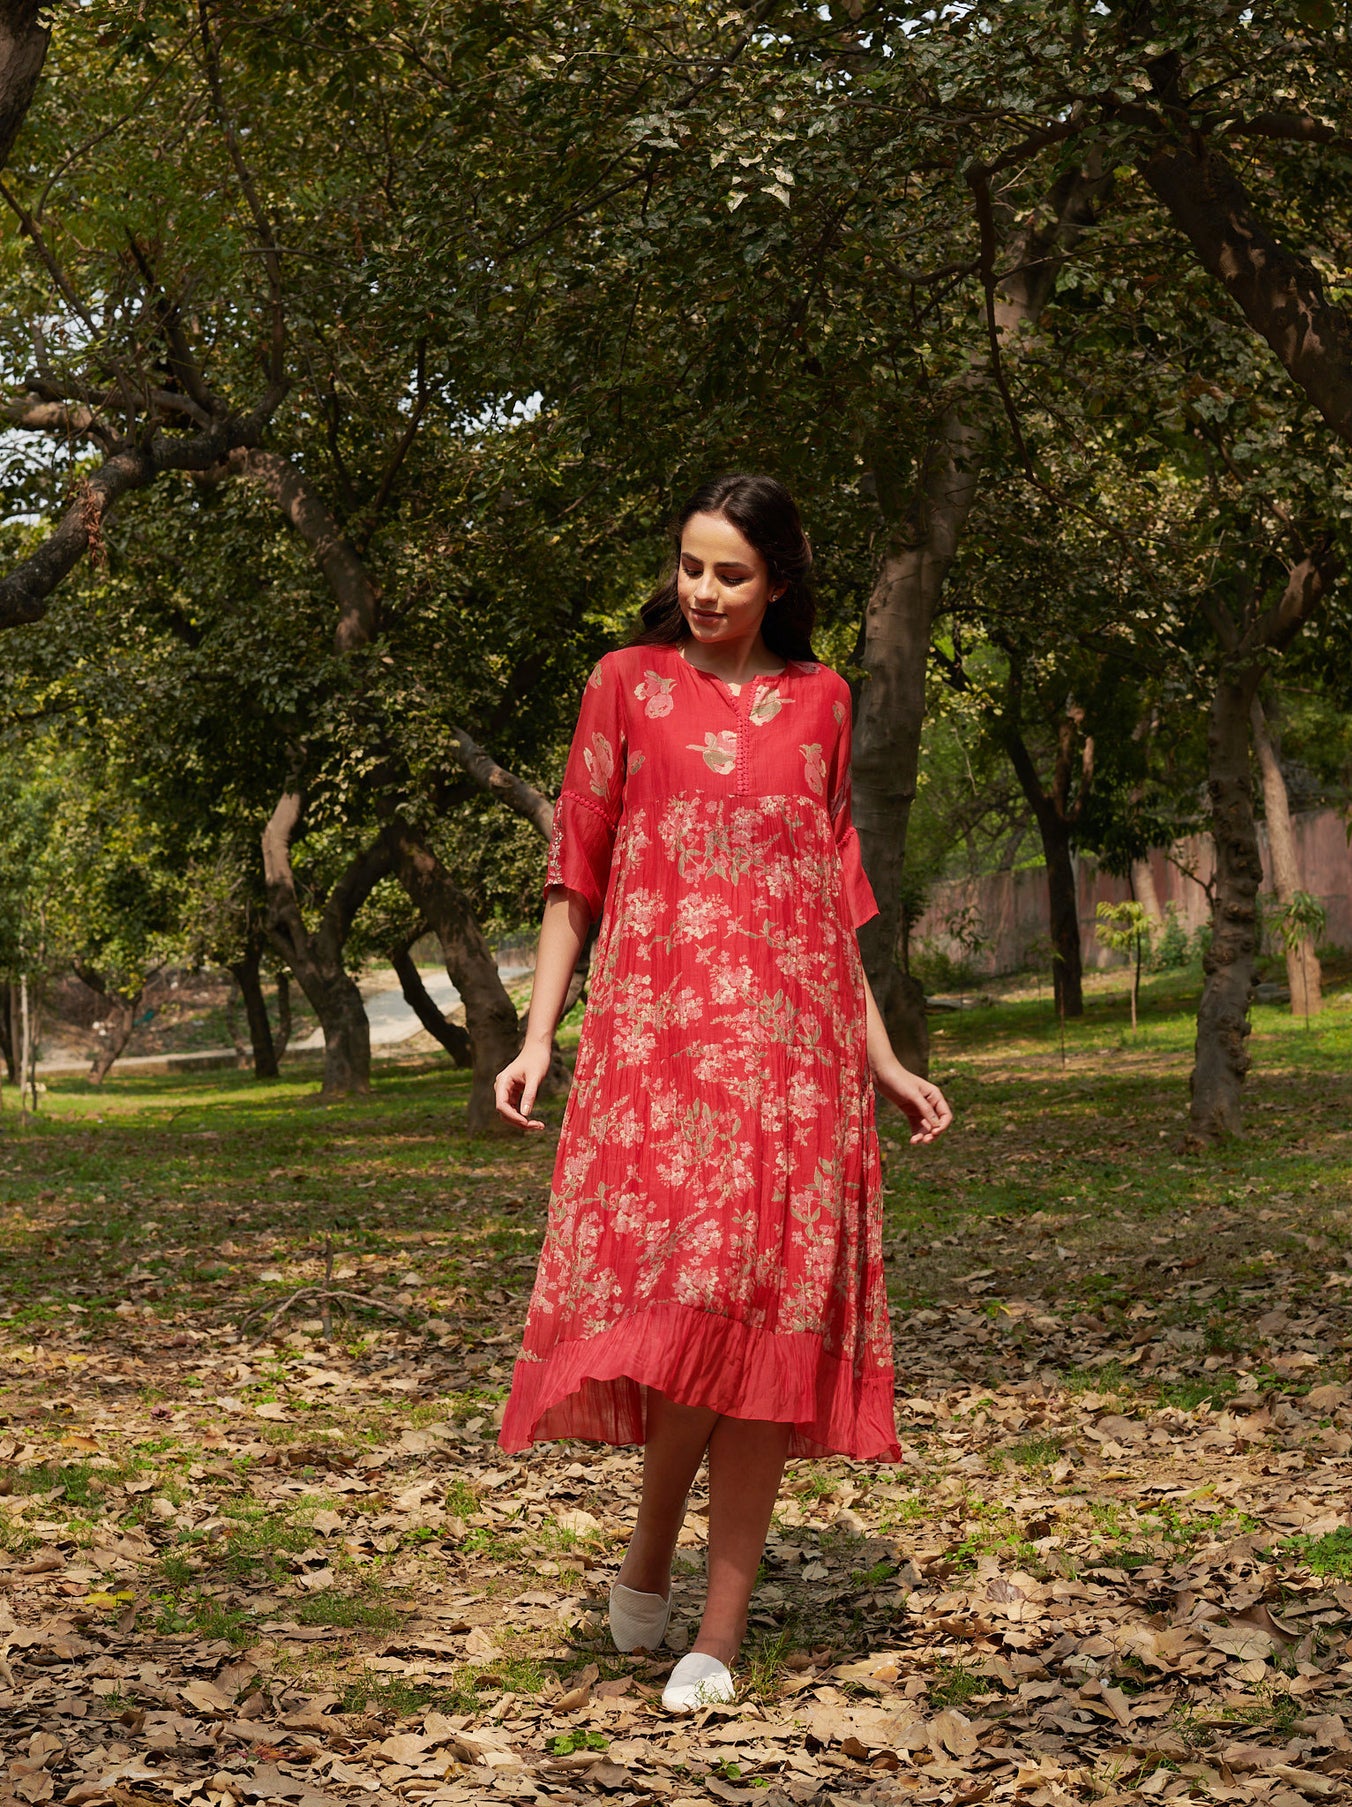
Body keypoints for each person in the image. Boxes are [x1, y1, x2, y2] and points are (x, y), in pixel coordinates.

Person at [495, 473, 951, 1712]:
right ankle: (650, 1543)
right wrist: (538, 1036)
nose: (702, 591)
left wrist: (884, 1058)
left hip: (795, 1074)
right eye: (690, 566)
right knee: (691, 1312)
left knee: (766, 1340)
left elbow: (831, 897)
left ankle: (720, 1627)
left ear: (779, 585)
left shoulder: (823, 703)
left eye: (730, 573)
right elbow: (572, 870)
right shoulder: (624, 685)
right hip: (655, 1060)